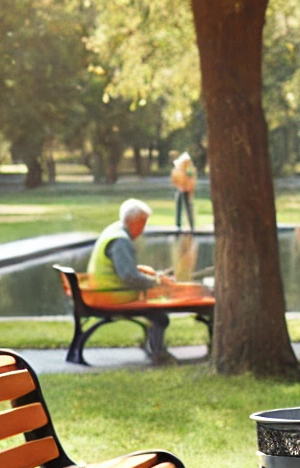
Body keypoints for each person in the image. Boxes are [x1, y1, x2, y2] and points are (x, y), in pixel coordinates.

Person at [86, 199, 212, 364]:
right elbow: (129, 277)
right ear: (133, 221)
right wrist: (158, 283)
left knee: (157, 307)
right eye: (142, 223)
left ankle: (153, 348)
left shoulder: (114, 230)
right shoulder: (121, 241)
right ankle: (158, 353)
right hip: (113, 295)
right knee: (159, 316)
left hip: (104, 291)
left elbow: (126, 270)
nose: (143, 229)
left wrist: (154, 277)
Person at [171, 153, 197, 232]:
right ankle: (178, 225)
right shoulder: (179, 169)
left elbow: (191, 180)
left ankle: (191, 225)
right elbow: (175, 180)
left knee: (188, 207)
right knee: (179, 206)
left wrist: (189, 188)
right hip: (181, 189)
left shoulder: (189, 169)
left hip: (187, 190)